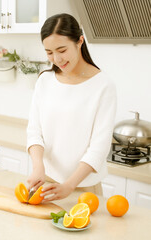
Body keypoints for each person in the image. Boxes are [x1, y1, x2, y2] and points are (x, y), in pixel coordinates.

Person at [26, 13, 116, 202]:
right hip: (46, 183)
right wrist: (38, 167)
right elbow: (34, 131)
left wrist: (69, 185)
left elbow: (99, 148)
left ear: (79, 41)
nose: (57, 59)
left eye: (62, 50)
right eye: (49, 52)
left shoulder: (103, 86)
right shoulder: (45, 81)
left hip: (84, 187)